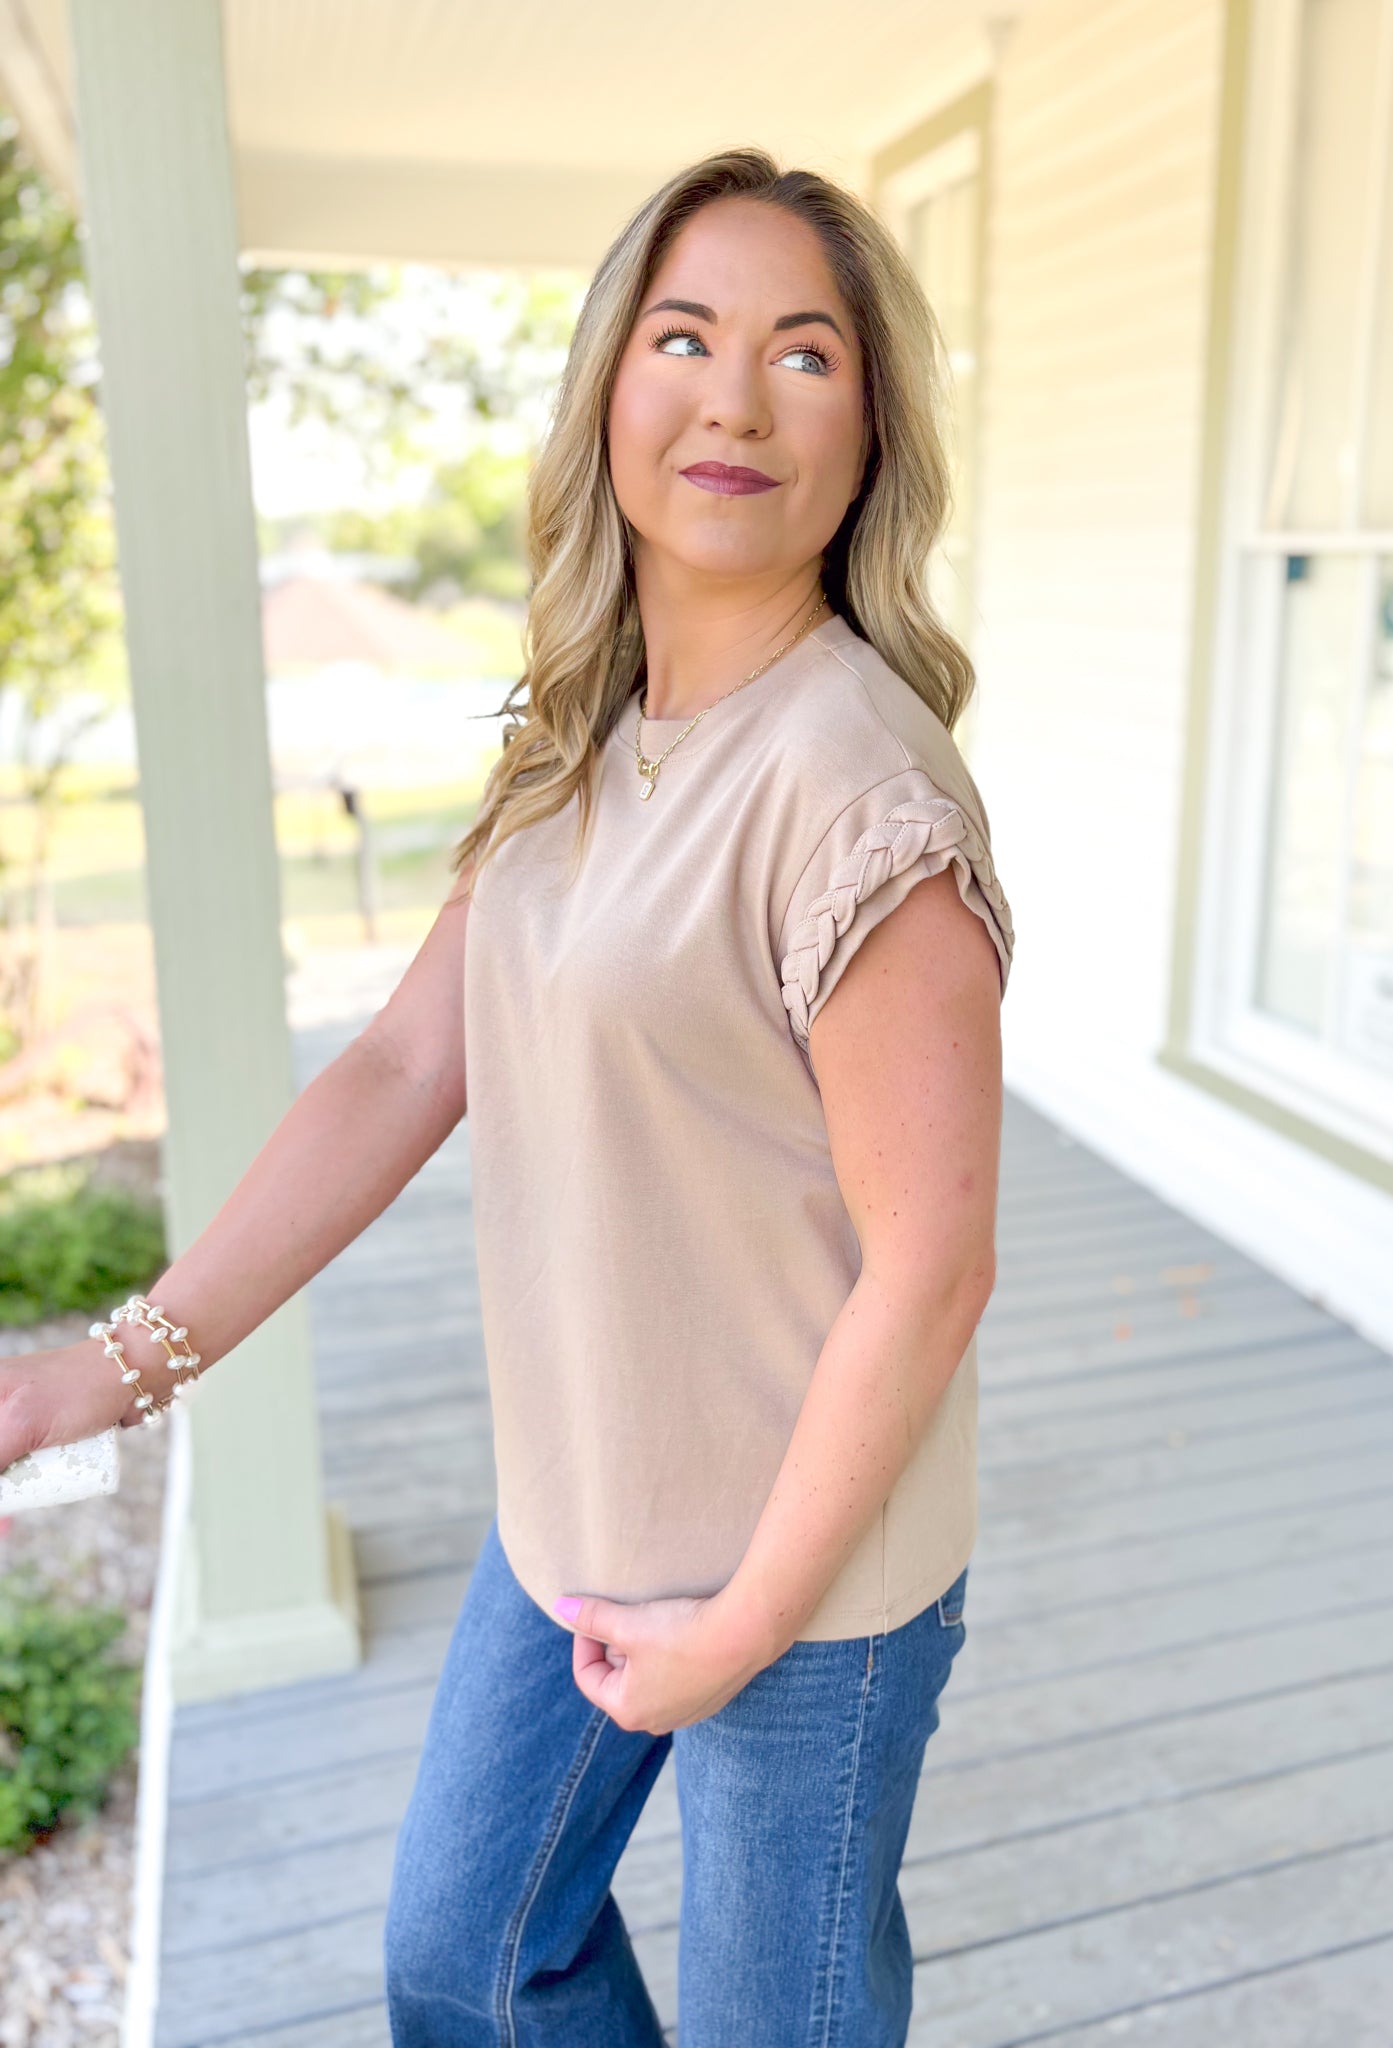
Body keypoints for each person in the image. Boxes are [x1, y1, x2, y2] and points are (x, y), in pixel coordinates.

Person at [0, 146, 1013, 2046]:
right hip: (573, 1519)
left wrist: (739, 1627)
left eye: (803, 354)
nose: (732, 397)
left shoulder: (858, 788)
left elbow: (930, 1268)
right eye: (683, 336)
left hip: (811, 1580)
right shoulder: (575, 741)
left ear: (867, 435)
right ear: (608, 391)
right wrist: (107, 1370)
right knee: (468, 1960)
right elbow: (396, 1065)